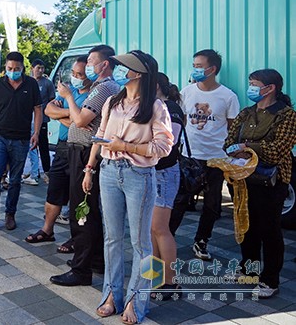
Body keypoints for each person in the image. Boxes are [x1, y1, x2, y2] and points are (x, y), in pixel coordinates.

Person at [89, 51, 173, 324]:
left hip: (140, 175)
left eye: (126, 66)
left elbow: (163, 147)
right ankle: (112, 295)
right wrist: (90, 169)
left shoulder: (156, 107)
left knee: (140, 243)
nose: (120, 69)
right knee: (112, 238)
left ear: (138, 73)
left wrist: (124, 146)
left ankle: (137, 302)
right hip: (108, 172)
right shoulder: (113, 101)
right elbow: (100, 136)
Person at [50, 45, 120, 286]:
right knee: (88, 210)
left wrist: (68, 97)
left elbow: (80, 120)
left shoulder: (104, 88)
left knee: (82, 212)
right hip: (80, 152)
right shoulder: (101, 88)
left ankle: (81, 270)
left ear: (105, 64)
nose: (87, 66)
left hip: (85, 155)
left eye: (91, 61)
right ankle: (94, 260)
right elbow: (75, 119)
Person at [223, 69, 296, 298]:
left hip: (271, 182)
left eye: (254, 84)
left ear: (270, 88)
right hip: (243, 180)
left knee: (269, 230)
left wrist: (246, 148)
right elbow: (228, 142)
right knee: (247, 227)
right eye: (250, 83)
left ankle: (270, 280)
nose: (251, 88)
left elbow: (277, 151)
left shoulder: (286, 115)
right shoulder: (246, 113)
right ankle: (249, 271)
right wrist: (243, 148)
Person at [170, 49, 240, 260]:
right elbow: (180, 121)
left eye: (199, 66)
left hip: (216, 159)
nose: (195, 70)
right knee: (180, 201)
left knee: (212, 205)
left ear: (213, 69)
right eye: (194, 65)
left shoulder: (228, 96)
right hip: (190, 157)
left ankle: (201, 241)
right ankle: (166, 237)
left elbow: (232, 128)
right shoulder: (187, 92)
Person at [24, 55, 90, 244]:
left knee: (78, 196)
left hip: (81, 148)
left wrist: (65, 116)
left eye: (80, 73)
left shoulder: (92, 94)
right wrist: (72, 113)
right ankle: (47, 230)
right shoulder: (70, 90)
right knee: (54, 191)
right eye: (74, 73)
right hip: (62, 147)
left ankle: (76, 238)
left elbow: (81, 123)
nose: (76, 76)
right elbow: (48, 110)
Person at [0, 51, 42, 232]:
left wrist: (35, 133)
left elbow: (38, 109)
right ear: (5, 67)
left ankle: (10, 214)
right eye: (9, 68)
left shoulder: (31, 85)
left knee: (15, 180)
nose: (13, 71)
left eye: (17, 69)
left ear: (23, 68)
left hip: (21, 140)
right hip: (0, 137)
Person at [151, 73, 184, 299]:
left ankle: (171, 282)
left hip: (164, 173)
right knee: (151, 230)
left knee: (160, 229)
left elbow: (165, 147)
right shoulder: (158, 106)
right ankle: (154, 276)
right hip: (152, 173)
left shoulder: (169, 109)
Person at [23, 59, 56, 185]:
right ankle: (33, 171)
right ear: (32, 68)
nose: (40, 70)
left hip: (42, 119)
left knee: (43, 146)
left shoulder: (47, 83)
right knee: (30, 147)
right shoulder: (27, 82)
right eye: (38, 68)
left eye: (42, 68)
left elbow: (52, 100)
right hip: (27, 120)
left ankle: (47, 172)